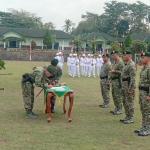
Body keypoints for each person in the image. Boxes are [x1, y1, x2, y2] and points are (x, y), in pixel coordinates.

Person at [134, 52, 150, 136]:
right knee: (143, 111)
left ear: (148, 58)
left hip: (146, 93)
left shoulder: (149, 68)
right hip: (142, 93)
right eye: (141, 57)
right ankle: (144, 127)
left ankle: (147, 129)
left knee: (147, 112)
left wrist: (149, 95)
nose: (141, 59)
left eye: (143, 57)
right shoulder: (144, 68)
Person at [120, 50, 136, 124]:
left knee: (129, 102)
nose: (124, 56)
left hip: (128, 85)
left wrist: (130, 89)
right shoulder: (126, 64)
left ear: (129, 56)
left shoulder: (131, 65)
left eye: (125, 55)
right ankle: (127, 116)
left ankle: (131, 117)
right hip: (124, 85)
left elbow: (133, 78)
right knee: (125, 101)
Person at [108, 50, 124, 115]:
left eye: (114, 55)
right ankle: (116, 107)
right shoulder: (114, 62)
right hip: (114, 81)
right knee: (114, 95)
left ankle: (119, 109)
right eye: (112, 55)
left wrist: (115, 71)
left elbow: (122, 72)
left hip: (118, 81)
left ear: (117, 55)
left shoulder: (120, 62)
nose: (113, 56)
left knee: (118, 96)